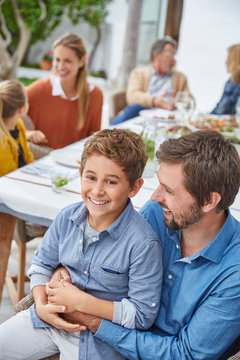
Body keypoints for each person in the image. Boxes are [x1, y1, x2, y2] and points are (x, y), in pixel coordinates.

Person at [54, 130, 240, 360]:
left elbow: (185, 355)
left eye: (169, 190)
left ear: (209, 201)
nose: (155, 197)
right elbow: (104, 259)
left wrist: (93, 321)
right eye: (159, 184)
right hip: (105, 341)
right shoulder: (158, 214)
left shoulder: (235, 273)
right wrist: (63, 270)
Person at [0, 128, 162, 360]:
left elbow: (141, 315)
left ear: (134, 187)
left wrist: (82, 302)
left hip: (98, 339)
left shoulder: (143, 243)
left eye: (111, 181)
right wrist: (42, 305)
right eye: (91, 177)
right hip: (48, 319)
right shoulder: (67, 217)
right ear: (80, 173)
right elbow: (41, 265)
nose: (97, 190)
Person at [25, 33, 103, 149]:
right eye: (57, 60)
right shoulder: (37, 90)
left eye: (68, 61)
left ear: (81, 61)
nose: (61, 67)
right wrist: (28, 133)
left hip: (75, 162)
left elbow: (93, 140)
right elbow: (7, 121)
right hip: (40, 158)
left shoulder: (95, 95)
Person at [111, 36, 192, 125]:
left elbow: (190, 100)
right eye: (170, 55)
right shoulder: (138, 73)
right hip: (142, 113)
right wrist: (155, 101)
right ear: (156, 56)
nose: (173, 60)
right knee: (134, 108)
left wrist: (176, 103)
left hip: (168, 118)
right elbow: (132, 96)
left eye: (174, 56)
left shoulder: (180, 77)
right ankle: (105, 134)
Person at [0, 79, 34, 176]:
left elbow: (28, 158)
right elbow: (9, 176)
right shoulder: (1, 140)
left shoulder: (18, 124)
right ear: (21, 110)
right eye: (27, 100)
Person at [211, 43, 240, 115]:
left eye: (229, 59)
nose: (225, 62)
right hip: (219, 122)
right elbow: (219, 106)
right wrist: (208, 117)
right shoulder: (230, 82)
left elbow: (235, 113)